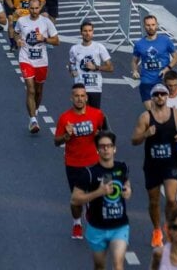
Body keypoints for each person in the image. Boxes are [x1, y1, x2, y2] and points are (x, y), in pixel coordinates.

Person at [132, 84, 177, 249]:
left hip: (170, 163)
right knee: (154, 201)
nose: (160, 97)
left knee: (172, 199)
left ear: (167, 97)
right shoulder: (145, 117)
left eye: (163, 94)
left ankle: (168, 225)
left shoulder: (176, 114)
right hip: (152, 165)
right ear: (152, 97)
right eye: (157, 95)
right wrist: (146, 134)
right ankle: (156, 230)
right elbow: (134, 140)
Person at [71, 131, 133, 270]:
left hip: (119, 225)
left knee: (118, 264)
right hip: (97, 227)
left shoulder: (122, 167)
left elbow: (126, 183)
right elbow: (75, 199)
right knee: (99, 265)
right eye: (102, 146)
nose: (106, 149)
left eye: (109, 146)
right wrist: (99, 192)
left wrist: (128, 190)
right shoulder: (89, 173)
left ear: (114, 148)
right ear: (97, 150)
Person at [54, 85, 108, 240]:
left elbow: (107, 134)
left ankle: (93, 218)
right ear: (72, 98)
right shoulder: (65, 118)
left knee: (96, 196)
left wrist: (100, 136)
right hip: (73, 163)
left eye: (82, 95)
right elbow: (56, 141)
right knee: (76, 200)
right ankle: (77, 223)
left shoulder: (97, 114)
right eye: (76, 96)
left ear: (86, 98)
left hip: (93, 162)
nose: (79, 98)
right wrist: (66, 136)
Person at [14, 0, 59, 133]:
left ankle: (35, 110)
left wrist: (44, 39)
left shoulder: (46, 22)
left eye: (36, 8)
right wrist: (18, 41)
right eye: (31, 8)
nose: (34, 11)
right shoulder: (22, 21)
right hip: (25, 58)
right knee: (31, 89)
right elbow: (16, 33)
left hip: (41, 61)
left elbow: (57, 41)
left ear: (40, 8)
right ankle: (33, 120)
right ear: (28, 8)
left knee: (38, 91)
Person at [132, 15, 177, 109]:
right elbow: (134, 61)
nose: (151, 27)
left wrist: (167, 69)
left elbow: (176, 58)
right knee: (152, 113)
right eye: (148, 25)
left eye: (153, 24)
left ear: (157, 25)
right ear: (144, 26)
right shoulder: (139, 44)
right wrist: (135, 71)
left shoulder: (165, 40)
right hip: (146, 82)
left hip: (163, 81)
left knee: (166, 112)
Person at [68, 21, 114, 109]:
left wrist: (95, 67)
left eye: (90, 31)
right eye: (85, 31)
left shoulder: (99, 47)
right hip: (80, 88)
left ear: (93, 32)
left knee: (94, 116)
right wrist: (72, 70)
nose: (87, 33)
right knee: (80, 115)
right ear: (81, 32)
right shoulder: (74, 49)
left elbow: (110, 67)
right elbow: (71, 64)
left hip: (95, 87)